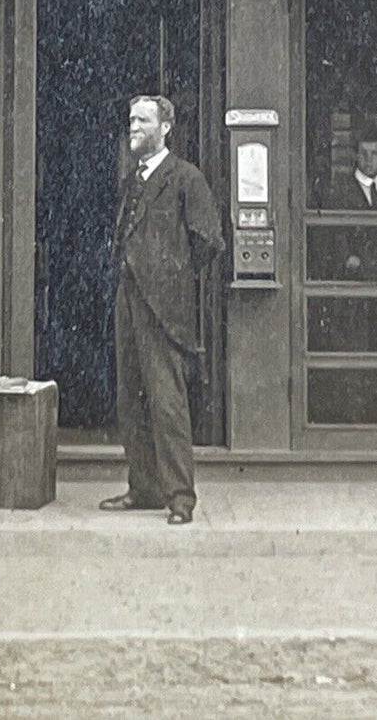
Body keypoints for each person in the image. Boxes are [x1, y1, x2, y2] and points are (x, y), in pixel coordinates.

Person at [99, 94, 222, 526]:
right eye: (131, 119)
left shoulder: (186, 178)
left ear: (165, 127)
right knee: (131, 399)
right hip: (129, 302)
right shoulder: (132, 179)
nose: (133, 126)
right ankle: (144, 487)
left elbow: (207, 241)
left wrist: (170, 278)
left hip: (163, 306)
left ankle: (180, 498)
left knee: (167, 403)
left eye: (143, 120)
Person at [327, 130, 377, 211]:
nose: (369, 159)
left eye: (374, 153)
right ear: (355, 156)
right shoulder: (341, 194)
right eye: (363, 153)